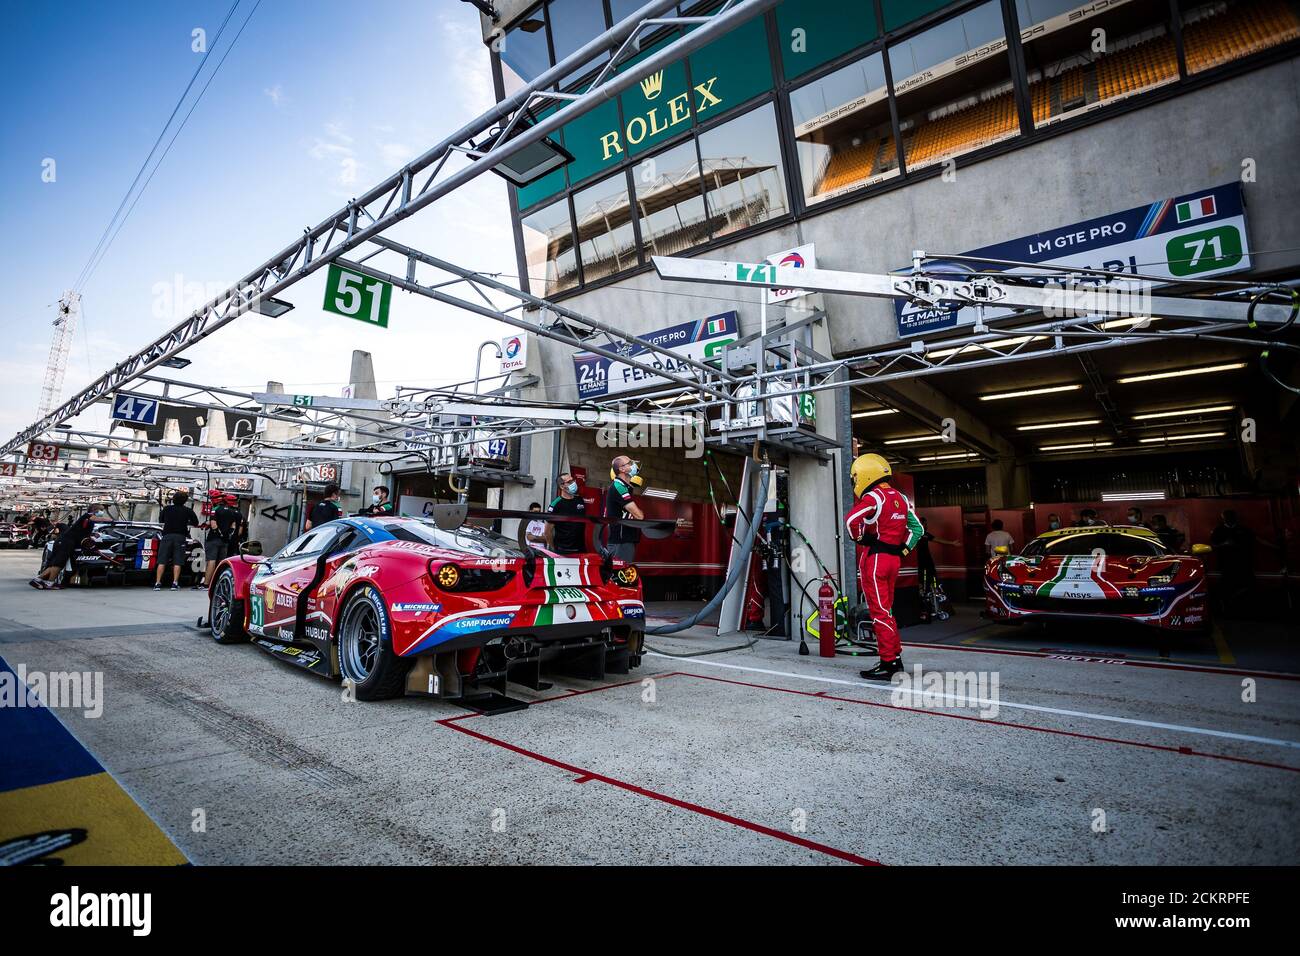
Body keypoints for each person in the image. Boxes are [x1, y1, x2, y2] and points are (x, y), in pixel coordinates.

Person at [846, 454, 923, 681]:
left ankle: (888, 663)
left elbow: (851, 520)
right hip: (894, 561)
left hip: (876, 561)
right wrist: (904, 550)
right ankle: (894, 658)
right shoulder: (899, 496)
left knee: (880, 613)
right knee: (887, 611)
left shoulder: (874, 497)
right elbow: (917, 529)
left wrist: (860, 539)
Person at [30, 508, 102, 589]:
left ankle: (44, 581)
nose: (102, 512)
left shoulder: (86, 523)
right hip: (65, 542)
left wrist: (92, 535)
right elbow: (93, 518)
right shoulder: (87, 516)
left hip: (65, 542)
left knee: (58, 564)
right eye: (101, 510)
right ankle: (43, 581)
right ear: (95, 510)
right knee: (58, 564)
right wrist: (110, 520)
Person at [915, 516, 960, 621]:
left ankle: (937, 598)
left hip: (928, 561)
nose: (926, 525)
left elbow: (939, 540)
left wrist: (952, 543)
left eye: (926, 524)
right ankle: (923, 602)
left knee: (933, 579)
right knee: (922, 583)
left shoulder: (926, 535)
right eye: (924, 523)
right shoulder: (914, 535)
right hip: (919, 563)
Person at [196, 494, 243, 590]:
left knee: (211, 561)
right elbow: (234, 526)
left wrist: (218, 533)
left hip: (213, 539)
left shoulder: (215, 509)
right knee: (221, 562)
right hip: (226, 541)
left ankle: (206, 584)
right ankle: (218, 583)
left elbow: (213, 524)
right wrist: (227, 536)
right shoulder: (233, 512)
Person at [154, 490, 199, 591]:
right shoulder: (187, 511)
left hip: (167, 536)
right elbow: (196, 522)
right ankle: (174, 583)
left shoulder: (166, 509)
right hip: (180, 537)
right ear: (185, 501)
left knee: (162, 560)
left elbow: (161, 521)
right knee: (178, 561)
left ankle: (157, 583)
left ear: (173, 499)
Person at [602, 455, 643, 561]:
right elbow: (639, 516)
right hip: (620, 543)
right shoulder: (619, 487)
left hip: (625, 541)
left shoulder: (625, 486)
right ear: (622, 469)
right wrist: (638, 512)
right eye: (630, 463)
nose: (634, 465)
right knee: (620, 576)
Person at [546, 472, 588, 555]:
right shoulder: (555, 505)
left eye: (573, 480)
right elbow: (547, 531)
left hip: (581, 549)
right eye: (569, 482)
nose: (573, 483)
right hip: (563, 551)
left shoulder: (579, 500)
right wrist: (554, 549)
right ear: (562, 486)